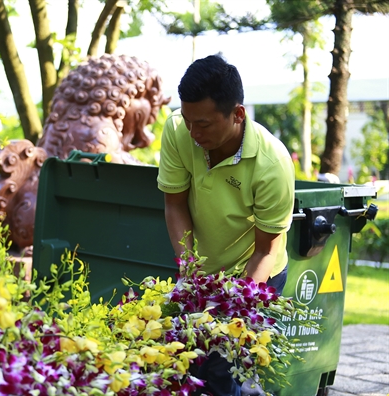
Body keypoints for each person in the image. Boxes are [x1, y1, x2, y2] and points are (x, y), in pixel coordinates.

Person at [157, 54, 295, 396]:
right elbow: (174, 205)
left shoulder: (271, 164)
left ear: (237, 114)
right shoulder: (179, 131)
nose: (193, 131)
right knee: (183, 362)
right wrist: (190, 273)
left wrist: (232, 307)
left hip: (255, 275)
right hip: (201, 272)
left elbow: (266, 249)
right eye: (188, 120)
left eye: (203, 124)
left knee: (221, 368)